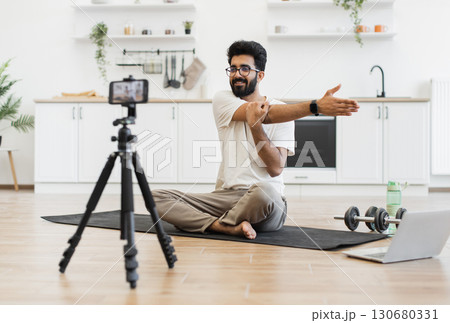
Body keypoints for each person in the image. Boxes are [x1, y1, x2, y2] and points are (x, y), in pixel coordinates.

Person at [152, 40, 359, 239]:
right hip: (227, 197)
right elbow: (260, 113)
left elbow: (275, 168)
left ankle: (215, 224)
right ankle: (227, 226)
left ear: (260, 76)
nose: (237, 74)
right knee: (155, 197)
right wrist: (315, 107)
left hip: (267, 203)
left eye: (244, 69)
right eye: (232, 69)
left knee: (265, 190)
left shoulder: (286, 113)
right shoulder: (222, 100)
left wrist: (256, 127)